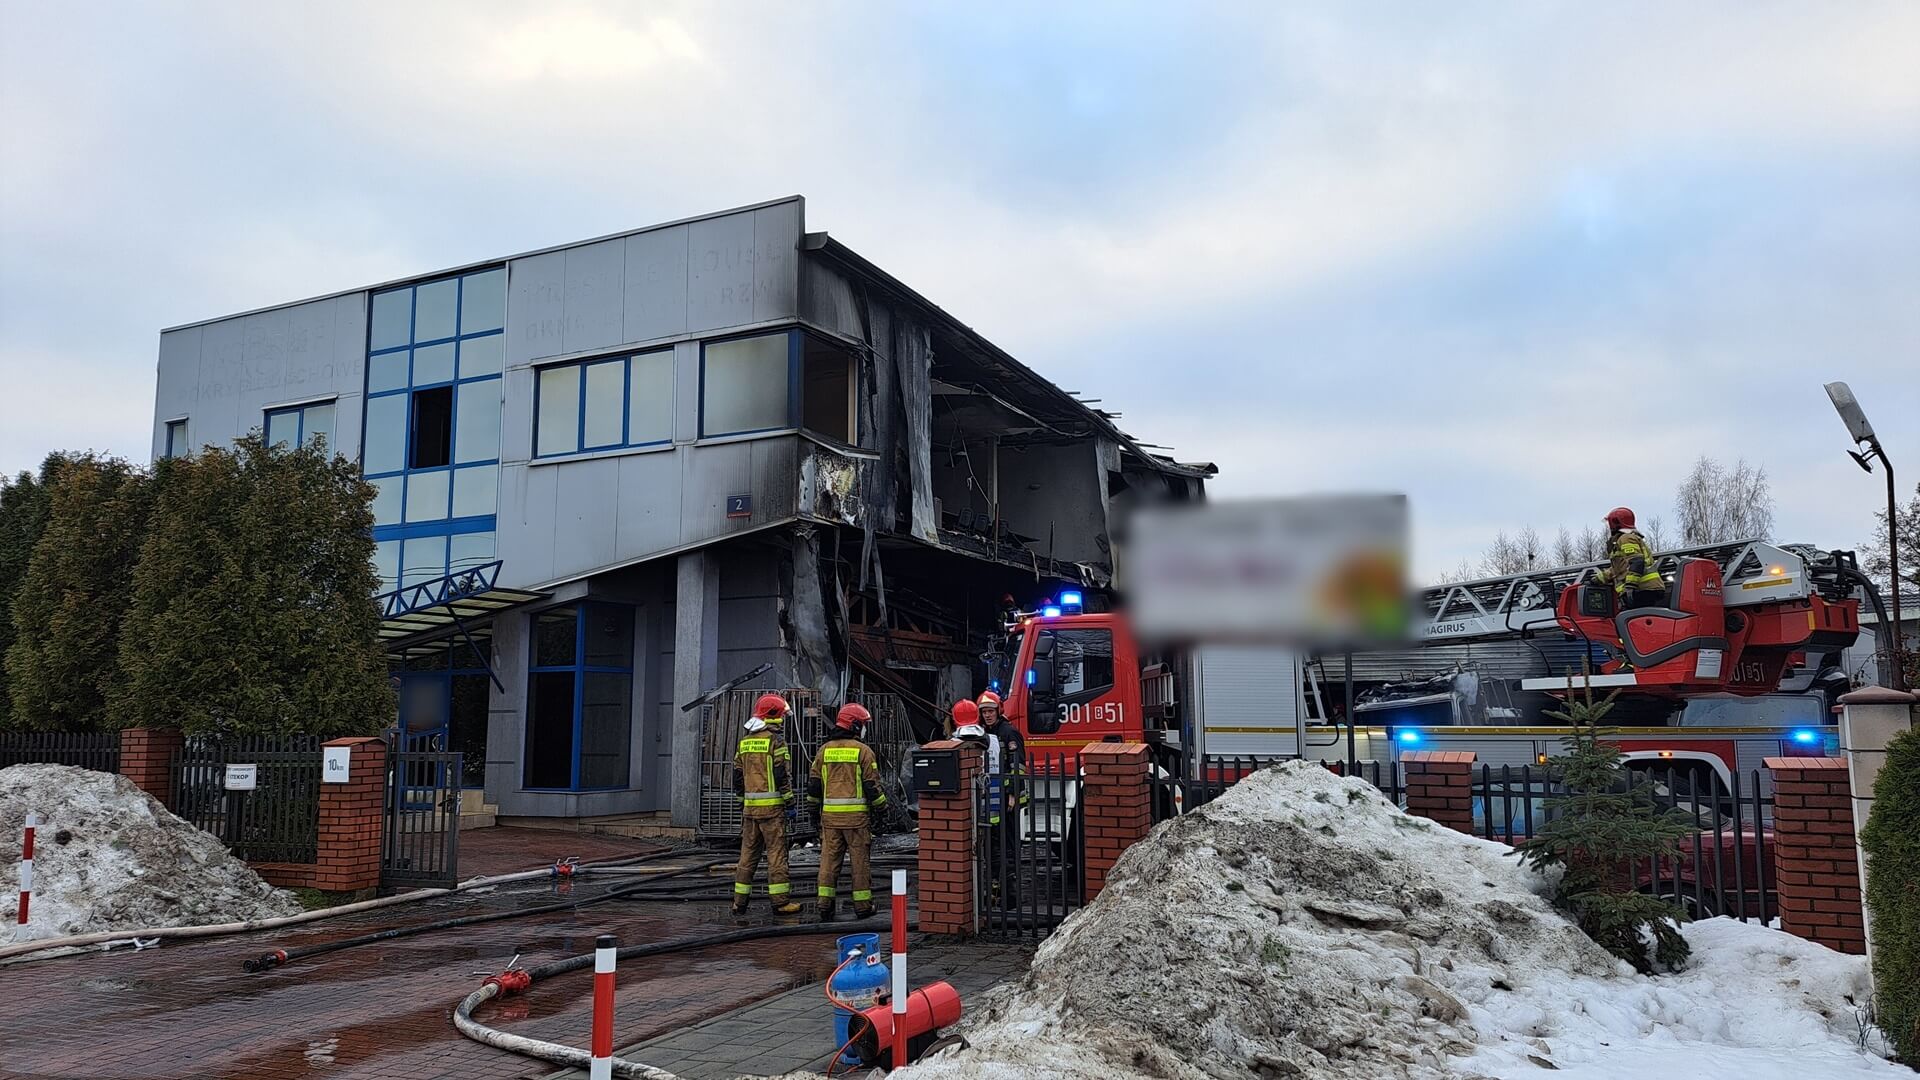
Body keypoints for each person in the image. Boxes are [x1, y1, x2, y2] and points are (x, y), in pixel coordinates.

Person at [809, 702, 887, 920]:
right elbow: (872, 786)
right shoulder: (863, 751)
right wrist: (882, 809)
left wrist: (813, 812)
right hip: (856, 820)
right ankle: (862, 907)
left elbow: (814, 786)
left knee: (828, 863)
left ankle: (824, 906)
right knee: (859, 863)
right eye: (862, 724)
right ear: (854, 725)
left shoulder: (823, 751)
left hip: (830, 819)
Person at [731, 693, 802, 916]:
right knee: (776, 856)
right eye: (781, 715)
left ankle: (738, 902)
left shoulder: (744, 741)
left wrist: (742, 801)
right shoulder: (776, 742)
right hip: (772, 811)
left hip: (750, 810)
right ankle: (780, 903)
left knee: (747, 856)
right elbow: (782, 775)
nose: (783, 719)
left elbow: (737, 775)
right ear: (774, 716)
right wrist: (790, 802)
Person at [1592, 507, 1667, 611]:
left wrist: (1630, 587)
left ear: (1615, 523)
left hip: (1642, 590)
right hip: (1644, 590)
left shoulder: (1625, 538)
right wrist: (1599, 579)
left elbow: (1637, 562)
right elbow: (1619, 568)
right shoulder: (1624, 539)